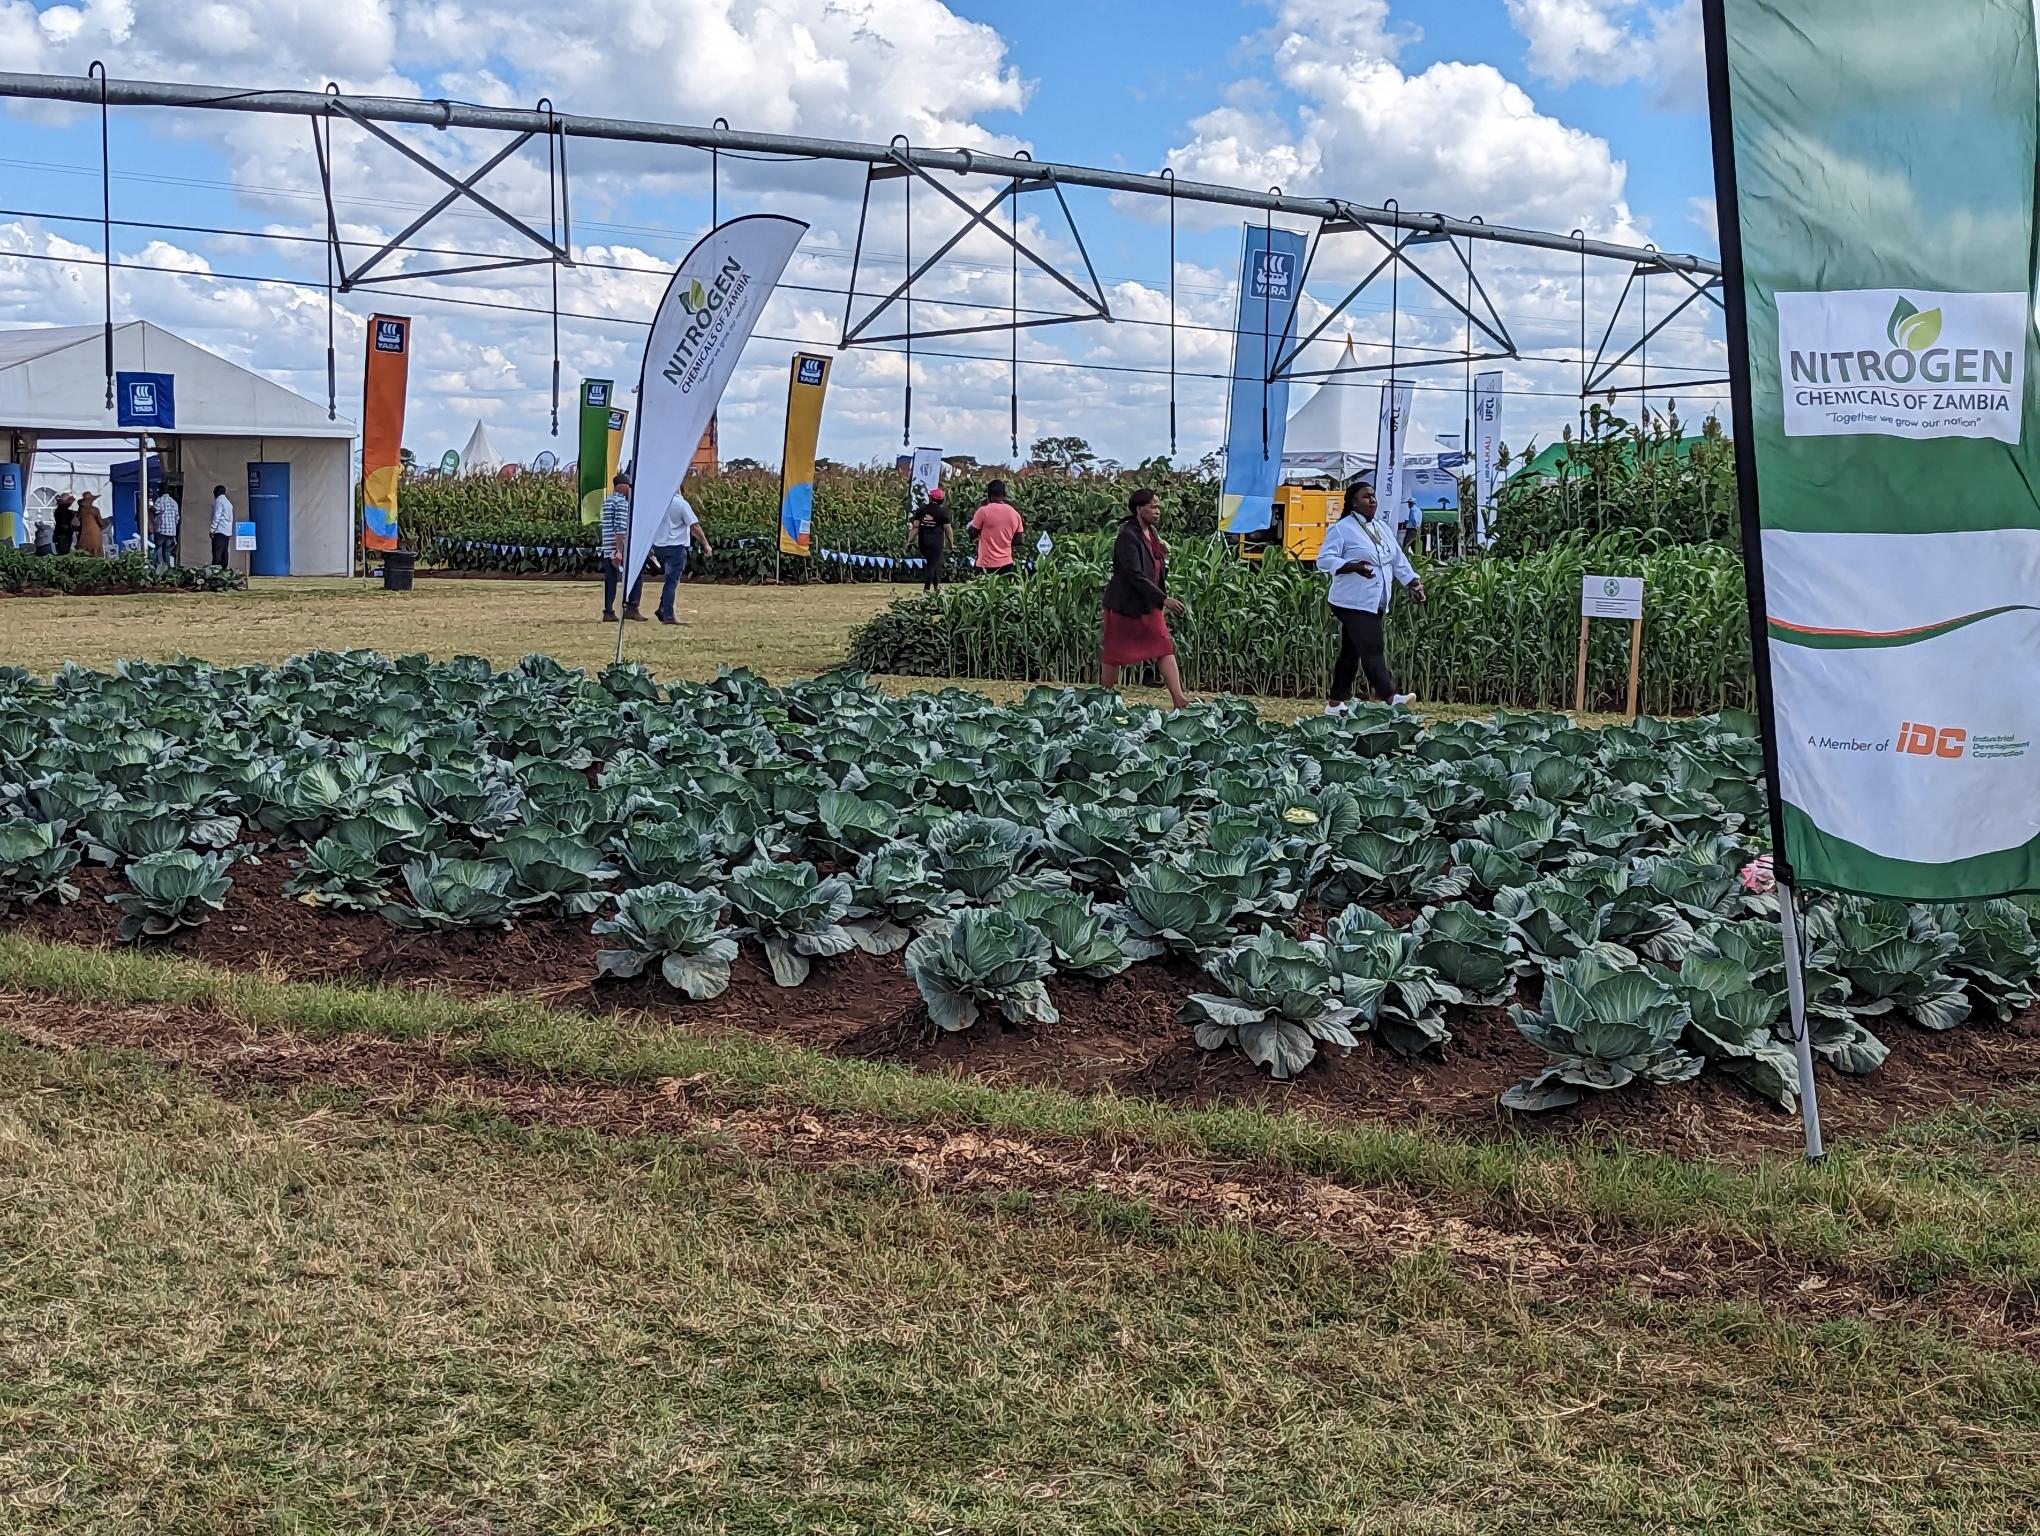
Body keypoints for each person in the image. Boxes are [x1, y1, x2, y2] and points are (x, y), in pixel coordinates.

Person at [1315, 479, 1426, 714]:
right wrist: (1351, 566)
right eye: (1366, 496)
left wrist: (1414, 583)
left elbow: (1397, 559)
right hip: (1349, 601)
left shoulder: (1381, 528)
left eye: (1373, 496)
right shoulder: (1341, 528)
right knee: (1372, 647)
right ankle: (1390, 696)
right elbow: (1323, 560)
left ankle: (1335, 703)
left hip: (1375, 599)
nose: (1372, 500)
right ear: (1353, 503)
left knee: (1351, 652)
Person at [1101, 487, 1189, 710]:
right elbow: (1134, 574)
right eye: (1153, 506)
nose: (1157, 511)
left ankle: (1179, 699)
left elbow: (1157, 569)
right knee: (1114, 653)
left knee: (1164, 647)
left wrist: (1160, 600)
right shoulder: (1127, 536)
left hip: (1148, 604)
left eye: (1159, 506)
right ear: (1139, 509)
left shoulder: (1152, 534)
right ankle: (1103, 698)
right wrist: (1163, 599)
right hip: (1125, 604)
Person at [649, 486, 712, 625]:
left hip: (659, 546)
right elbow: (694, 526)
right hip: (675, 547)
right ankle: (668, 614)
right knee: (672, 581)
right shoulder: (681, 504)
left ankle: (662, 607)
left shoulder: (658, 503)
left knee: (668, 580)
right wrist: (705, 544)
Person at [599, 471, 645, 622]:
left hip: (607, 546)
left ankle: (608, 611)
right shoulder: (621, 503)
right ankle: (632, 607)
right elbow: (620, 528)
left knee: (610, 580)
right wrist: (620, 551)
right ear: (624, 487)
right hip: (618, 547)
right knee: (636, 574)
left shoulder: (608, 501)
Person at [969, 478, 1023, 575]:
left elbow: (972, 534)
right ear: (1004, 494)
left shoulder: (983, 511)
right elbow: (1019, 540)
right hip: (1006, 564)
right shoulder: (1015, 514)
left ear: (988, 494)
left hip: (985, 565)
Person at [911, 486, 951, 591]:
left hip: (923, 542)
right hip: (936, 542)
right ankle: (927, 588)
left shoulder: (922, 509)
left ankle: (937, 586)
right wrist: (951, 543)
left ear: (930, 498)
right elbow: (948, 529)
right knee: (932, 564)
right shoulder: (942, 512)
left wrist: (909, 540)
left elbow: (915, 526)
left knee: (933, 563)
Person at [150, 482, 181, 567]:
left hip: (161, 530)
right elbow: (177, 518)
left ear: (160, 490)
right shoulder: (174, 502)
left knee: (158, 548)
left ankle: (159, 567)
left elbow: (156, 510)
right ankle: (167, 568)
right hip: (171, 531)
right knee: (167, 551)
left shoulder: (160, 500)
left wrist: (150, 506)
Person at [209, 484, 235, 568]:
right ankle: (224, 568)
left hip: (220, 530)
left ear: (216, 492)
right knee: (224, 551)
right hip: (227, 531)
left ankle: (216, 570)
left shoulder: (219, 501)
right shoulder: (228, 503)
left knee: (217, 552)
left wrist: (212, 529)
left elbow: (217, 516)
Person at [75, 491, 106, 556]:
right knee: (96, 551)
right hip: (95, 533)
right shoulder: (95, 509)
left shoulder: (81, 510)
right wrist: (102, 526)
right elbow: (100, 522)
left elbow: (78, 520)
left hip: (83, 533)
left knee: (84, 551)